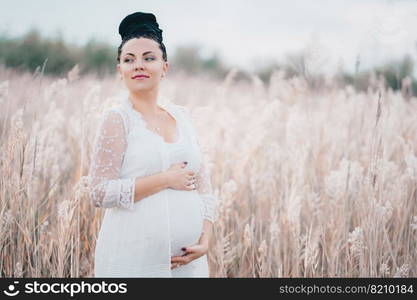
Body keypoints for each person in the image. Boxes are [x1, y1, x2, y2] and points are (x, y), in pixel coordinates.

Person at [86, 12, 218, 277]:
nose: (139, 65)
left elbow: (204, 187)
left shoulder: (182, 117)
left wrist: (205, 238)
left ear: (164, 67)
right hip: (134, 259)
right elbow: (99, 193)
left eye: (149, 58)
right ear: (119, 70)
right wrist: (165, 178)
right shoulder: (117, 119)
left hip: (188, 264)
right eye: (129, 60)